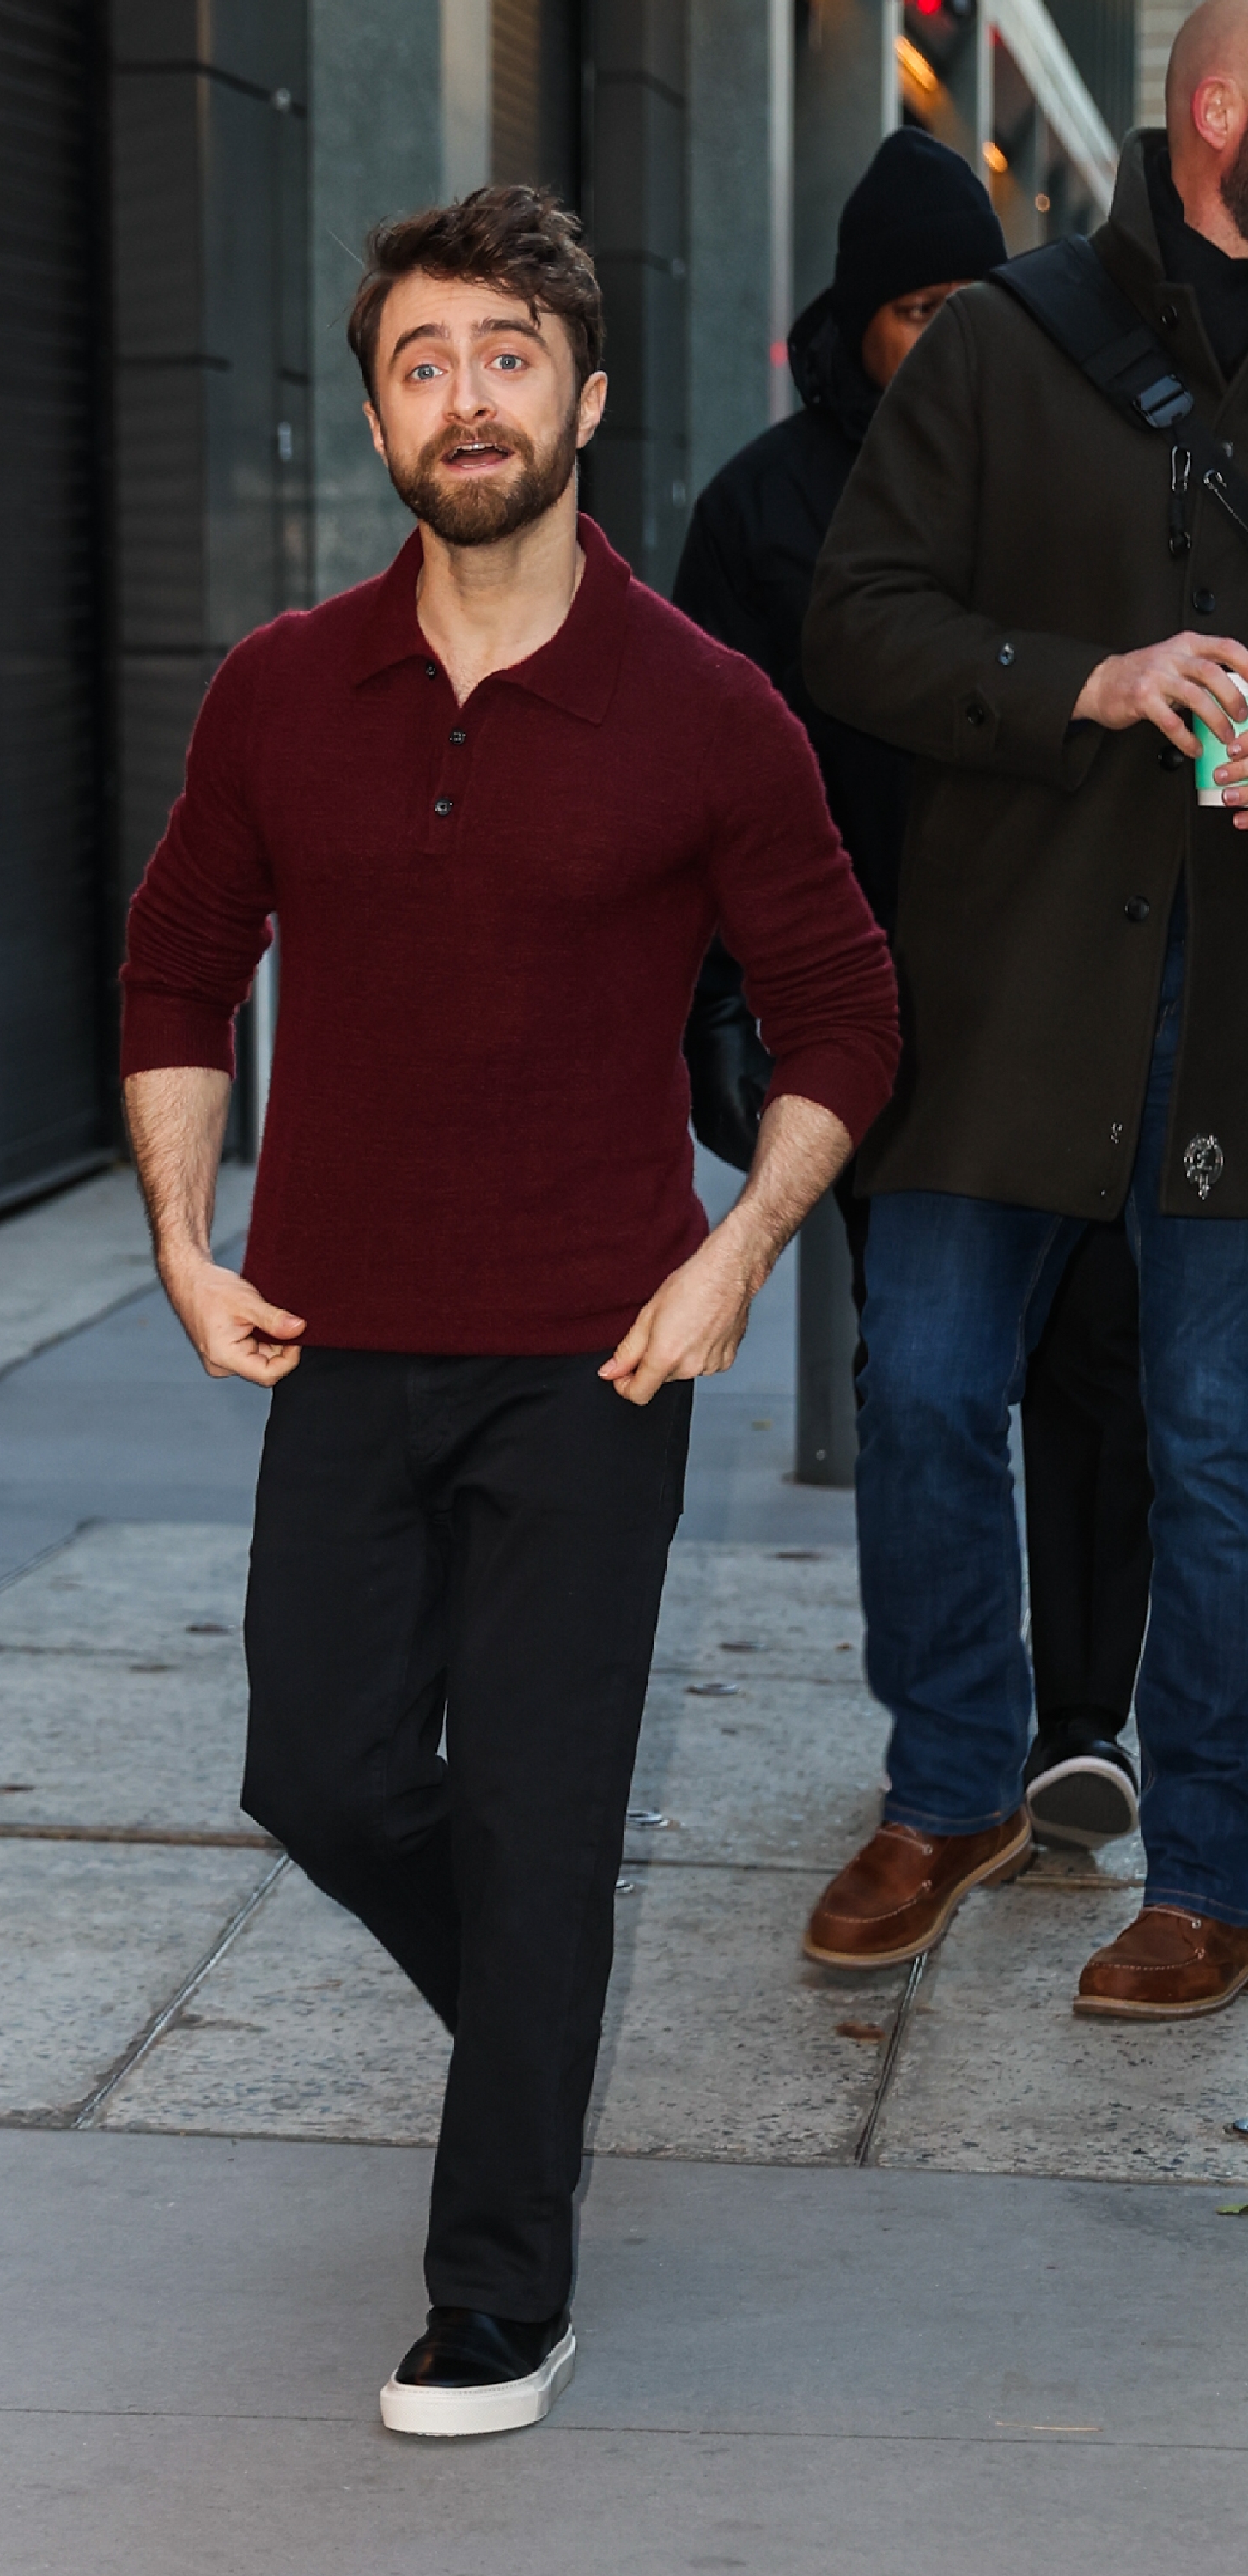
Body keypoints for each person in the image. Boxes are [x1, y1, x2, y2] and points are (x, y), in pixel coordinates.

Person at [119, 184, 898, 2436]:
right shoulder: (282, 690)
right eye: (420, 360)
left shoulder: (706, 712)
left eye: (503, 355)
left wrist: (735, 1244)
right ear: (375, 406)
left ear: (581, 389)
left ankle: (498, 2290)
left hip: (595, 1345)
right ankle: (533, 2049)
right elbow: (179, 961)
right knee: (321, 1768)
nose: (464, 397)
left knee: (537, 1815)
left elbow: (843, 1008)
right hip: (340, 1339)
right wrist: (185, 1236)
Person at [800, 0, 1248, 2018]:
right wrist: (1085, 678)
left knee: (1219, 1444)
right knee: (922, 1391)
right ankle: (954, 1782)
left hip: (1237, 1009)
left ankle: (1215, 1874)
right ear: (1225, 107)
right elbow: (857, 628)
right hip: (1010, 987)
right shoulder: (1003, 339)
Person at [674, 129, 1151, 1853]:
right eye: (914, 309)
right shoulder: (759, 511)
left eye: (971, 303)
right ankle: (955, 1721)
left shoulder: (1071, 468)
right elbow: (703, 789)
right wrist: (723, 1004)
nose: (945, 336)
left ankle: (1083, 1724)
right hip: (879, 1021)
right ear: (855, 323)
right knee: (925, 1386)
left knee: (1098, 1365)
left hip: (1073, 995)